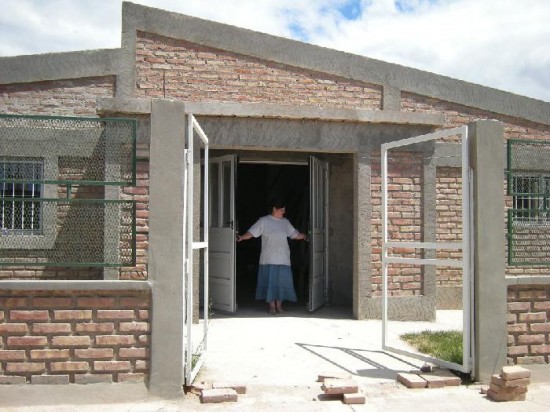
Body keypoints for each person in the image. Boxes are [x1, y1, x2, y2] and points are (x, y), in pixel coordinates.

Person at [236, 199, 307, 314]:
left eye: (284, 210)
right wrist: (241, 237)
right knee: (270, 283)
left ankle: (279, 306)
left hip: (283, 258)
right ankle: (272, 307)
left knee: (281, 283)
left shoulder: (285, 222)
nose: (284, 212)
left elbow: (294, 234)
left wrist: (305, 236)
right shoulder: (264, 221)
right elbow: (252, 233)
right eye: (282, 209)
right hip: (268, 258)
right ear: (274, 209)